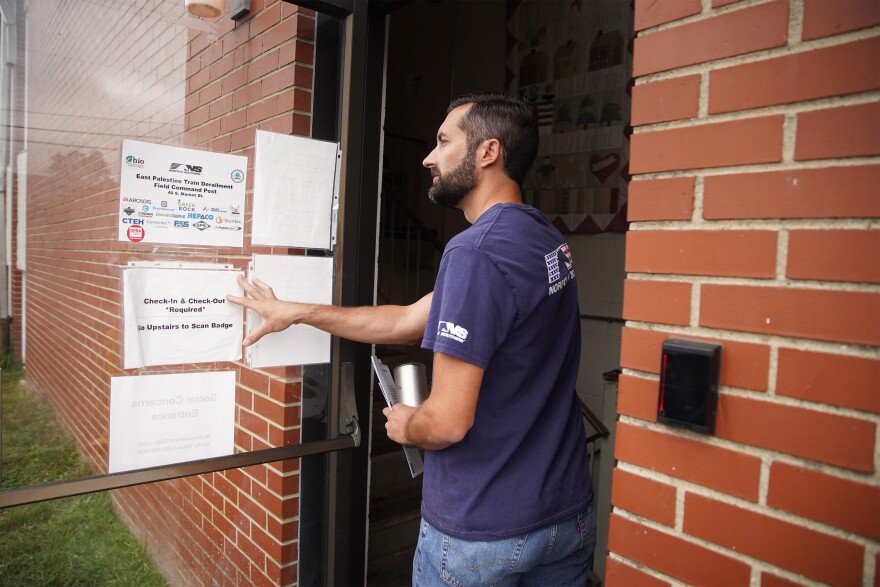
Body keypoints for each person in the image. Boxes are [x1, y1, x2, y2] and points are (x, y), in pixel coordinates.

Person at [227, 92, 595, 586]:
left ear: (488, 153)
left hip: (481, 530)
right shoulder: (542, 237)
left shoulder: (474, 254)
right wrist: (298, 312)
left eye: (444, 141)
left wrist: (407, 424)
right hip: (565, 515)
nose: (428, 157)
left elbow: (445, 423)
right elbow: (406, 320)